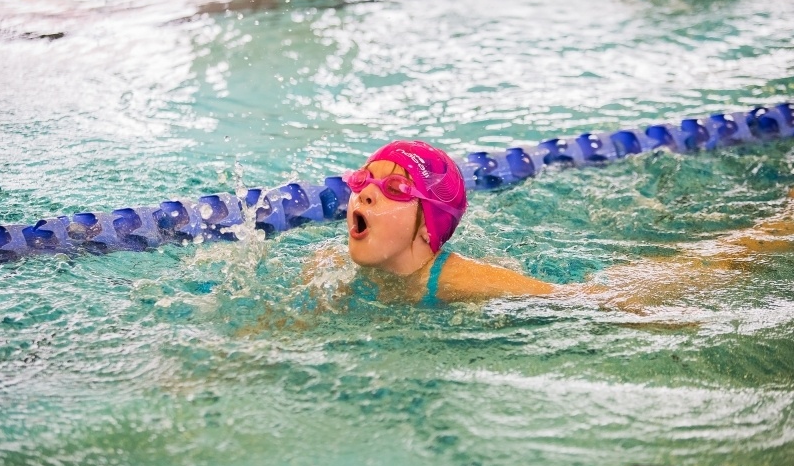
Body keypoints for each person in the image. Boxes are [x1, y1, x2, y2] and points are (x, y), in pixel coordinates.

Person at [332, 140, 794, 308]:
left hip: (607, 290)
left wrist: (649, 317)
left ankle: (778, 229)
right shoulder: (330, 268)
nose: (365, 192)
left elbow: (577, 304)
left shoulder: (455, 279)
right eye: (364, 180)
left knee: (726, 259)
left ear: (427, 227)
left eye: (396, 189)